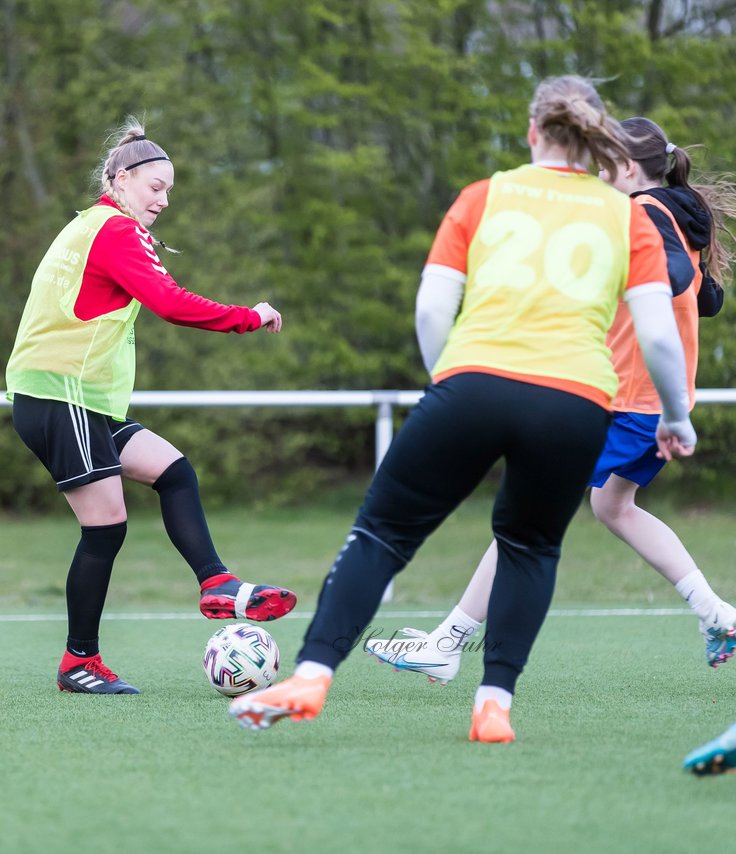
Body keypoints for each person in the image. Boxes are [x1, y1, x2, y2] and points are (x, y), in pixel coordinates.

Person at [228, 76, 696, 742]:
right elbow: (656, 334)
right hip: (574, 399)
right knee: (529, 548)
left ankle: (311, 675)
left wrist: (446, 379)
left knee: (382, 535)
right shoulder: (626, 215)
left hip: (472, 381)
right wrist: (676, 418)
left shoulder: (485, 195)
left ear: (532, 131)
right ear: (598, 139)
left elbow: (429, 308)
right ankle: (493, 705)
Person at [366, 116, 736, 684]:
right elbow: (705, 298)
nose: (593, 176)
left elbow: (676, 277)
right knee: (613, 508)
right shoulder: (673, 212)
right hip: (655, 401)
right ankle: (717, 613)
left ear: (628, 169)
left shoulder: (638, 214)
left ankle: (448, 641)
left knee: (524, 513)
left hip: (627, 400)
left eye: (602, 166)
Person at [5, 119, 295, 695]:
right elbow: (168, 301)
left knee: (173, 471)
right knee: (106, 527)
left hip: (73, 400)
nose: (163, 200)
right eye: (155, 187)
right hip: (63, 397)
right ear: (120, 178)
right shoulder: (115, 230)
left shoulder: (94, 224)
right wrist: (249, 316)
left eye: (168, 191)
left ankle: (216, 582)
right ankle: (79, 663)